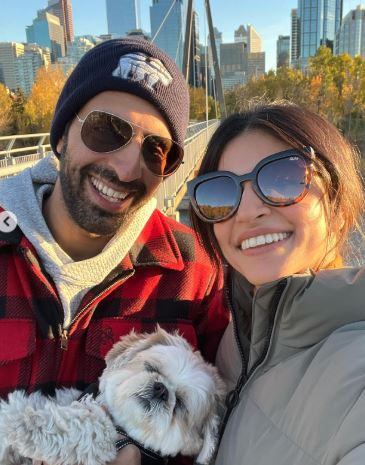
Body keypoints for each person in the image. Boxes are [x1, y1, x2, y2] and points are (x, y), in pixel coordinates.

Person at [0, 38, 229, 465]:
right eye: (106, 130)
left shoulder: (197, 271)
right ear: (64, 132)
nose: (126, 169)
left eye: (156, 151)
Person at [188, 101, 365, 465]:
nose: (249, 210)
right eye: (221, 193)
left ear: (334, 198)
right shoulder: (234, 339)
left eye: (284, 179)